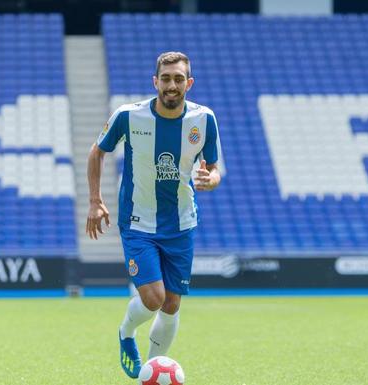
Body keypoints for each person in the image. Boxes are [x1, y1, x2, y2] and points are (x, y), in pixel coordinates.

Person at [86, 51, 222, 379]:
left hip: (181, 223)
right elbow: (97, 151)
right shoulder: (128, 116)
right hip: (138, 221)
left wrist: (210, 180)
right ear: (155, 82)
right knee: (153, 298)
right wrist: (95, 200)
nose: (172, 85)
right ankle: (125, 332)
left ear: (188, 83)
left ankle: (151, 372)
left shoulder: (204, 119)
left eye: (178, 79)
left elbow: (213, 168)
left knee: (172, 304)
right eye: (166, 78)